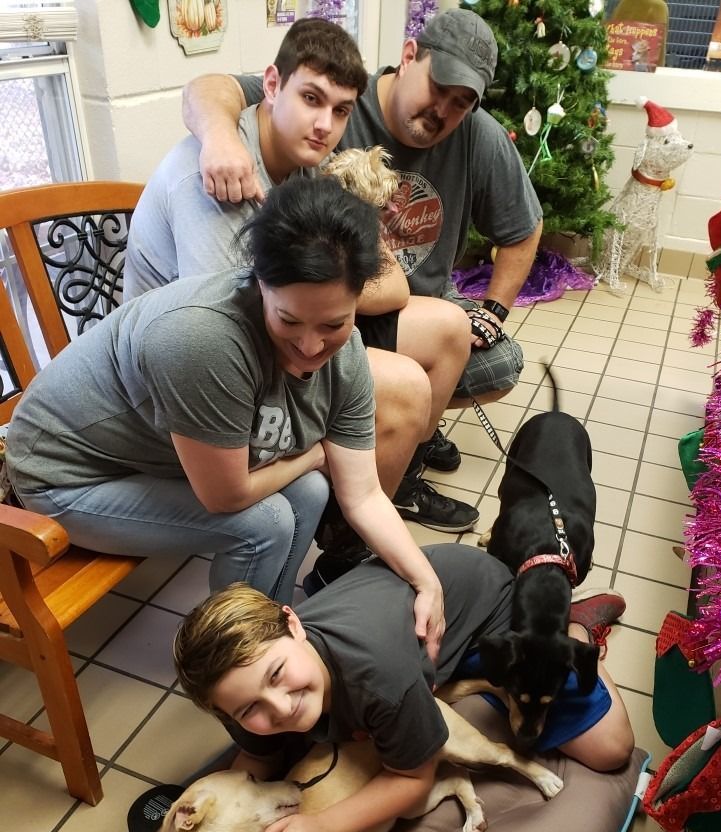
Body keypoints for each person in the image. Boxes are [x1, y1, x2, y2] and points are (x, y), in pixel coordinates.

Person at [5, 175, 444, 655]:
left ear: (360, 299)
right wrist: (312, 455)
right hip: (64, 475)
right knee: (266, 524)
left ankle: (268, 630)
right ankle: (228, 658)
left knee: (313, 491)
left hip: (149, 457)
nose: (312, 346)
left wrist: (427, 581)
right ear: (260, 284)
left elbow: (361, 496)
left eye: (334, 324)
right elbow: (226, 496)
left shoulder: (348, 357)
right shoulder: (203, 340)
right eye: (289, 320)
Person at [124, 16, 477, 571]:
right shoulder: (221, 176)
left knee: (449, 326)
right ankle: (347, 537)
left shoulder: (304, 170)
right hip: (193, 374)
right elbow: (236, 328)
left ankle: (380, 484)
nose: (325, 125)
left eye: (339, 111)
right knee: (406, 387)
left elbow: (391, 285)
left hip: (283, 326)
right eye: (311, 99)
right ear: (270, 85)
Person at [181, 8, 543, 475]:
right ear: (409, 56)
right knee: (400, 380)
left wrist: (492, 310)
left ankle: (405, 444)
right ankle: (378, 435)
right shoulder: (337, 98)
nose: (443, 110)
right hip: (324, 305)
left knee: (500, 361)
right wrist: (218, 136)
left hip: (408, 296)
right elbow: (208, 88)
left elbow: (523, 229)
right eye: (438, 88)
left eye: (461, 102)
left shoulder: (479, 136)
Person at [174, 543, 634, 832]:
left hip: (484, 615)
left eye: (277, 673)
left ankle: (572, 629)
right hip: (402, 620)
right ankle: (437, 682)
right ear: (224, 711)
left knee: (610, 749)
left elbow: (414, 775)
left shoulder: (378, 677)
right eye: (249, 709)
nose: (280, 707)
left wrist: (325, 828)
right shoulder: (236, 688)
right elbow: (253, 763)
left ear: (293, 624)